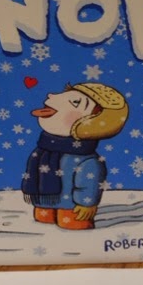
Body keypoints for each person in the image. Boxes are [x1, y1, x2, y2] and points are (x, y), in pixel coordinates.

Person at [22, 82, 128, 230]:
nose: (51, 95)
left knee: (73, 227)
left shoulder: (86, 159)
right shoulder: (42, 149)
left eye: (75, 102)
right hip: (42, 203)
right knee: (42, 224)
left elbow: (89, 181)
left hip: (71, 207)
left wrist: (86, 203)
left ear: (91, 122)